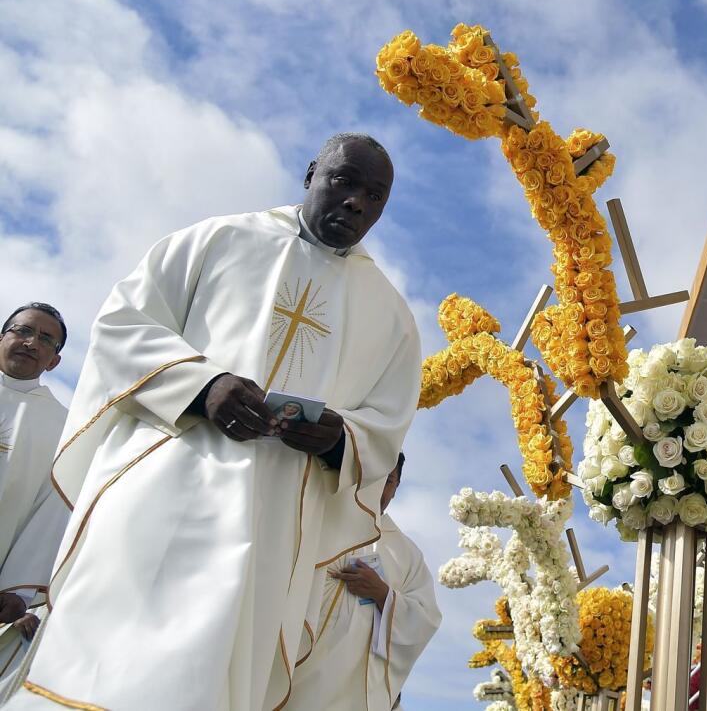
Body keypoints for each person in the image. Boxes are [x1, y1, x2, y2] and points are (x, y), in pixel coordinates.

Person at [11, 133, 422, 711]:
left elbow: (386, 425)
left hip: (274, 524)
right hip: (167, 483)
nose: (357, 202)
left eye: (374, 195)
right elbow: (123, 325)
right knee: (108, 658)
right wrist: (202, 385)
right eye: (343, 181)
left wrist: (339, 439)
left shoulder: (392, 315)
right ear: (311, 174)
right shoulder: (219, 240)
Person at [290, 452, 441, 711]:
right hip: (296, 657)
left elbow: (426, 619)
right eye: (377, 476)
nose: (381, 487)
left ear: (396, 488)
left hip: (352, 680)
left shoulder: (406, 553)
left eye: (390, 480)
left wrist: (383, 594)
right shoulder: (318, 514)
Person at [0, 304, 70, 698]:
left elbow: (53, 507)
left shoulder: (63, 426)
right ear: (2, 336)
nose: (31, 342)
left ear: (56, 360)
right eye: (22, 331)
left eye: (46, 339)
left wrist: (19, 590)